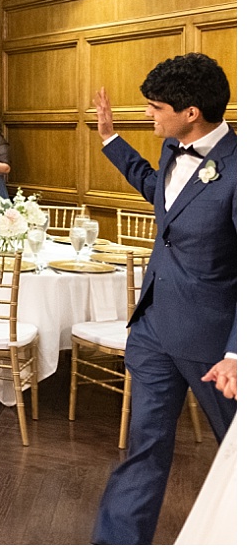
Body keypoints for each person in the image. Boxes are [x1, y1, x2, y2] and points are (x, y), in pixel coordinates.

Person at [90, 53, 237, 545]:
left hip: (214, 346)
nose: (150, 115)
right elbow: (162, 195)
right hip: (153, 329)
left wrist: (237, 352)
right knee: (144, 448)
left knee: (237, 453)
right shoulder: (173, 149)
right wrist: (112, 140)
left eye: (155, 107)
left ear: (191, 111)